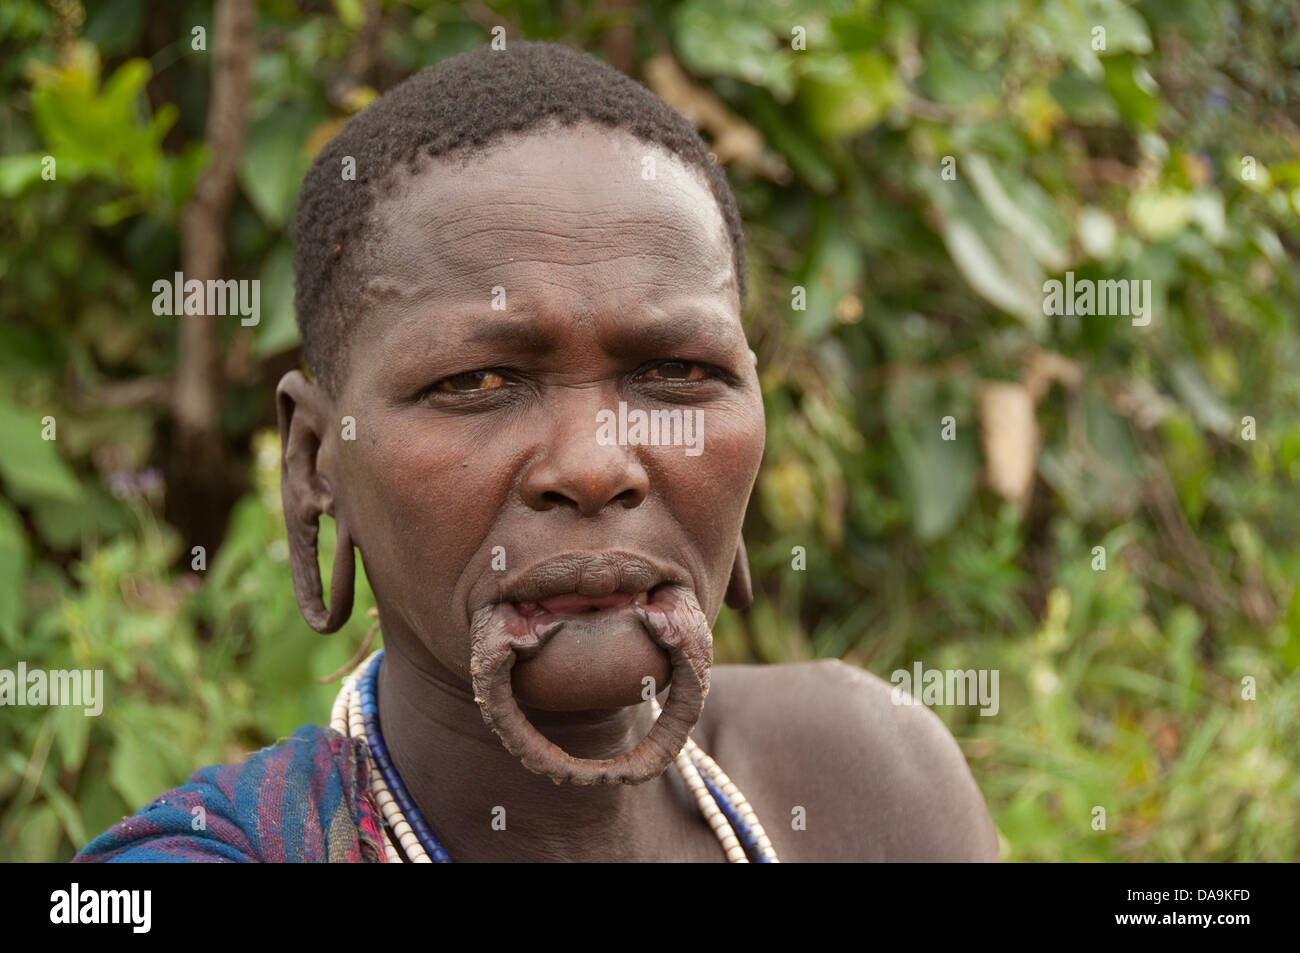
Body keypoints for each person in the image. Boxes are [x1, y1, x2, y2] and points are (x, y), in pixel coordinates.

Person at [74, 40, 998, 863]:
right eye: (477, 384)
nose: (596, 465)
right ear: (318, 464)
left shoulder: (872, 786)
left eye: (676, 370)